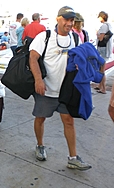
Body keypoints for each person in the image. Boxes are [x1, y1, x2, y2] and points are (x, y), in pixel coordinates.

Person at [29, 6, 92, 170]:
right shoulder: (45, 37)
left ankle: (73, 158)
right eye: (66, 19)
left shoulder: (76, 39)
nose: (70, 23)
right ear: (58, 19)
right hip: (46, 89)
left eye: (72, 20)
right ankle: (40, 145)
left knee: (69, 121)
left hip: (66, 91)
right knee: (41, 118)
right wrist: (38, 80)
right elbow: (33, 58)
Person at [95, 11, 113, 94]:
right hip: (107, 50)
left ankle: (103, 88)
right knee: (101, 69)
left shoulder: (103, 26)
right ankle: (100, 85)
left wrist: (97, 34)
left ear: (102, 17)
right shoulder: (109, 25)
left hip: (102, 50)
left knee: (102, 70)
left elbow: (101, 38)